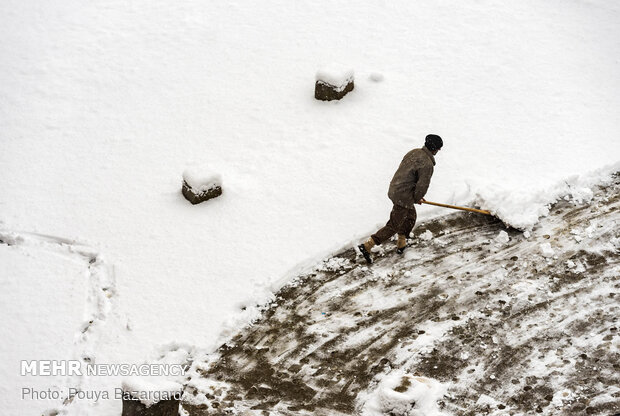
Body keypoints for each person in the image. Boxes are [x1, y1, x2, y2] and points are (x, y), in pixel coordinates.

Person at [358, 134, 443, 264]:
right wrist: (416, 197)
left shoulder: (414, 152)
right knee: (394, 225)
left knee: (410, 217)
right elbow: (422, 185)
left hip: (395, 188)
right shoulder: (427, 164)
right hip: (403, 196)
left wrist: (414, 197)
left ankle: (401, 243)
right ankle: (368, 245)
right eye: (438, 148)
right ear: (434, 149)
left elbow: (406, 172)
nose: (439, 151)